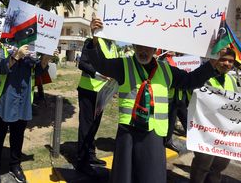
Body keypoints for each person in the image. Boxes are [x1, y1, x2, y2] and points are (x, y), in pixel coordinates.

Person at [82, 17, 220, 183]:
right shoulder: (123, 65)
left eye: (148, 47)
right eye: (139, 46)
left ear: (155, 49)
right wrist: (95, 39)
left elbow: (191, 80)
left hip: (154, 136)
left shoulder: (167, 70)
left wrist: (212, 64)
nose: (143, 51)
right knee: (125, 177)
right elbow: (101, 64)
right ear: (133, 46)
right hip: (128, 134)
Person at [0, 44, 52, 183]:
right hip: (2, 100)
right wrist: (16, 56)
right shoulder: (1, 45)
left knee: (17, 136)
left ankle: (15, 165)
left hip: (23, 100)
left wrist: (46, 58)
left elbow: (38, 71)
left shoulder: (32, 48)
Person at [190, 48, 238, 183]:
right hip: (205, 131)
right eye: (223, 59)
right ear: (215, 60)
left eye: (230, 61)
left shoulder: (232, 79)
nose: (227, 63)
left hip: (225, 132)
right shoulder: (204, 76)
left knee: (220, 165)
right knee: (203, 164)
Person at [76, 36, 118, 177]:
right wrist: (99, 75)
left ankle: (91, 154)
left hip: (103, 93)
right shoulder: (92, 41)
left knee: (94, 126)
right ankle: (82, 162)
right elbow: (82, 63)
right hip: (88, 90)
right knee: (86, 127)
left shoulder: (112, 45)